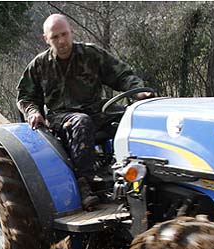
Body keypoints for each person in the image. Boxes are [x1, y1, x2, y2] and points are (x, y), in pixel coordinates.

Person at [17, 14, 152, 210]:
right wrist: (33, 112)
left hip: (96, 109)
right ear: (46, 39)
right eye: (55, 37)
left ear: (71, 32)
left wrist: (139, 91)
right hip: (61, 117)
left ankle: (142, 174)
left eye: (64, 34)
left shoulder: (91, 54)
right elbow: (25, 97)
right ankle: (84, 185)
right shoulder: (39, 65)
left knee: (130, 116)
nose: (61, 41)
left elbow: (121, 75)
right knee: (82, 122)